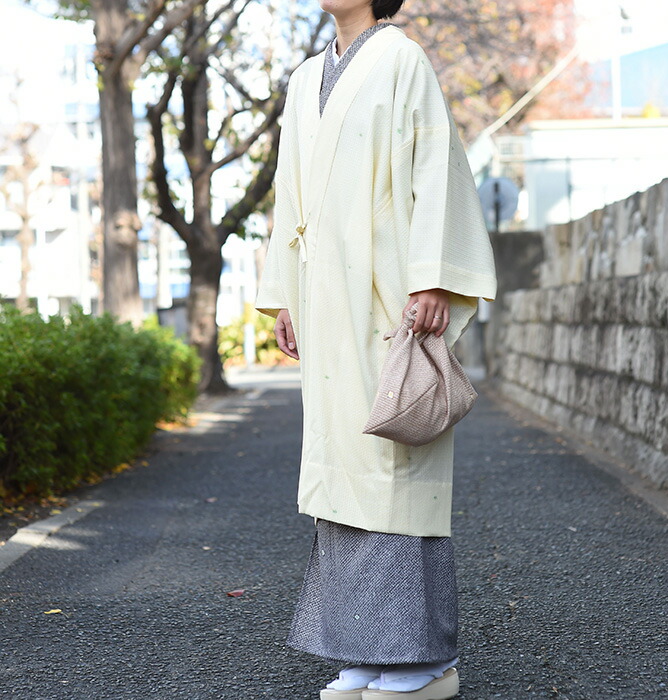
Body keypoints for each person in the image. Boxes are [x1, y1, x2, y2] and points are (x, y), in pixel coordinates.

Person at [254, 1, 497, 698]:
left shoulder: (402, 59)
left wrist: (433, 280)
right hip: (326, 298)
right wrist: (285, 298)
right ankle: (364, 649)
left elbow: (438, 177)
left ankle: (423, 662)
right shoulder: (307, 78)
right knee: (340, 468)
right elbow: (287, 194)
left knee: (395, 466)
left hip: (390, 296)